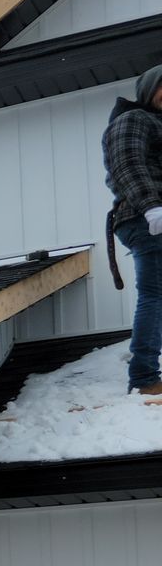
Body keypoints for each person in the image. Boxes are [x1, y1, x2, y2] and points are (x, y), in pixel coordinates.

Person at [104, 63, 162, 394]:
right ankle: (144, 379)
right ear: (149, 89)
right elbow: (127, 163)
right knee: (154, 293)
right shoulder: (133, 119)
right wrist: (152, 207)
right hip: (145, 216)